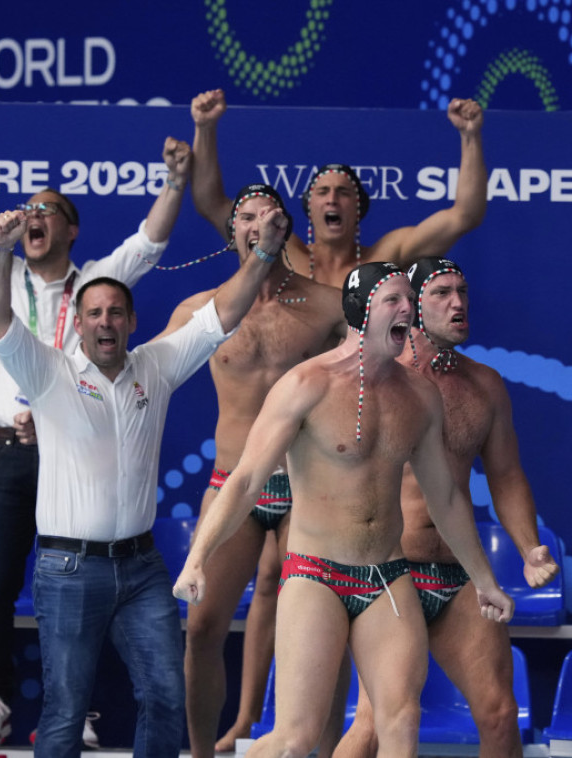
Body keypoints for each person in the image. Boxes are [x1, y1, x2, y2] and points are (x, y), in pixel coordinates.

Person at [0, 190, 289, 757]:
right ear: (78, 324)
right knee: (65, 711)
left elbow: (223, 314)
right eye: (94, 314)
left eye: (116, 313)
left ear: (132, 321)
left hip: (142, 569)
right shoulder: (48, 372)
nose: (106, 322)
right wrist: (0, 252)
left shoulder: (157, 365)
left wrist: (264, 254)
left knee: (168, 696)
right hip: (69, 570)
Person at [173, 261, 513, 758]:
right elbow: (244, 480)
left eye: (409, 299)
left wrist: (484, 580)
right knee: (294, 740)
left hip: (387, 579)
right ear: (360, 310)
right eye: (393, 300)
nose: (407, 308)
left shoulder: (419, 395)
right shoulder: (305, 384)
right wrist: (198, 557)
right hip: (316, 575)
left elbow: (446, 498)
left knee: (401, 721)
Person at [0, 99, 192, 746]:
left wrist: (175, 181)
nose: (34, 217)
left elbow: (150, 242)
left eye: (49, 210)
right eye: (29, 210)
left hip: (76, 447)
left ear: (72, 230)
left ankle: (86, 710)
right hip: (8, 450)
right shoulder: (2, 270)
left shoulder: (97, 286)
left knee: (90, 574)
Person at [332, 258, 558, 758]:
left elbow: (506, 476)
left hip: (459, 575)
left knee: (500, 715)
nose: (458, 303)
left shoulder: (484, 384)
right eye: (442, 293)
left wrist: (529, 549)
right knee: (375, 723)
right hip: (389, 574)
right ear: (411, 306)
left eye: (462, 291)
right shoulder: (376, 380)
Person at [154, 184, 346, 758]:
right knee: (202, 628)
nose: (258, 223)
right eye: (246, 215)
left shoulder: (329, 305)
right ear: (231, 231)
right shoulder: (201, 310)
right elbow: (139, 376)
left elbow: (379, 376)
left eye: (269, 214)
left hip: (307, 487)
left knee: (322, 629)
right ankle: (201, 754)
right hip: (231, 484)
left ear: (286, 229)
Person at [190, 88, 487, 289]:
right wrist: (204, 128)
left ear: (359, 207)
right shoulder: (283, 250)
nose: (332, 198)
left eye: (343, 193)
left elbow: (464, 215)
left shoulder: (386, 255)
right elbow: (210, 203)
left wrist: (470, 136)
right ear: (309, 208)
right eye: (322, 192)